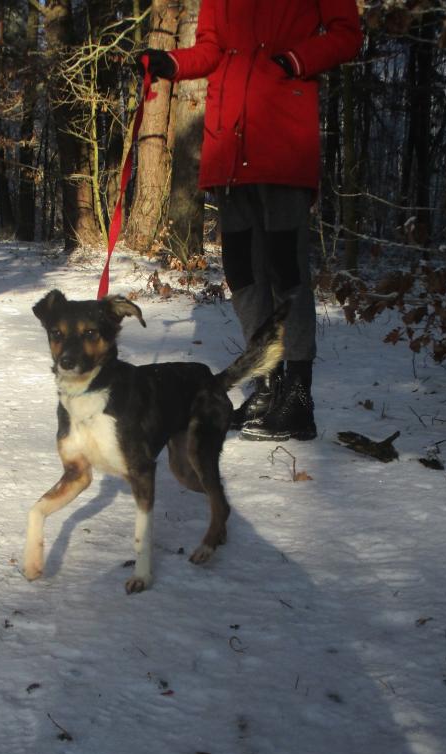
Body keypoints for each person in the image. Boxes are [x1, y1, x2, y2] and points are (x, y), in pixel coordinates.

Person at [139, 1, 362, 441]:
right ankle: (266, 385)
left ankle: (297, 398)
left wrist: (293, 61)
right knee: (242, 272)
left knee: (285, 269)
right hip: (228, 146)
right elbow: (210, 50)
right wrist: (169, 63)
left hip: (283, 138)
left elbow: (347, 34)